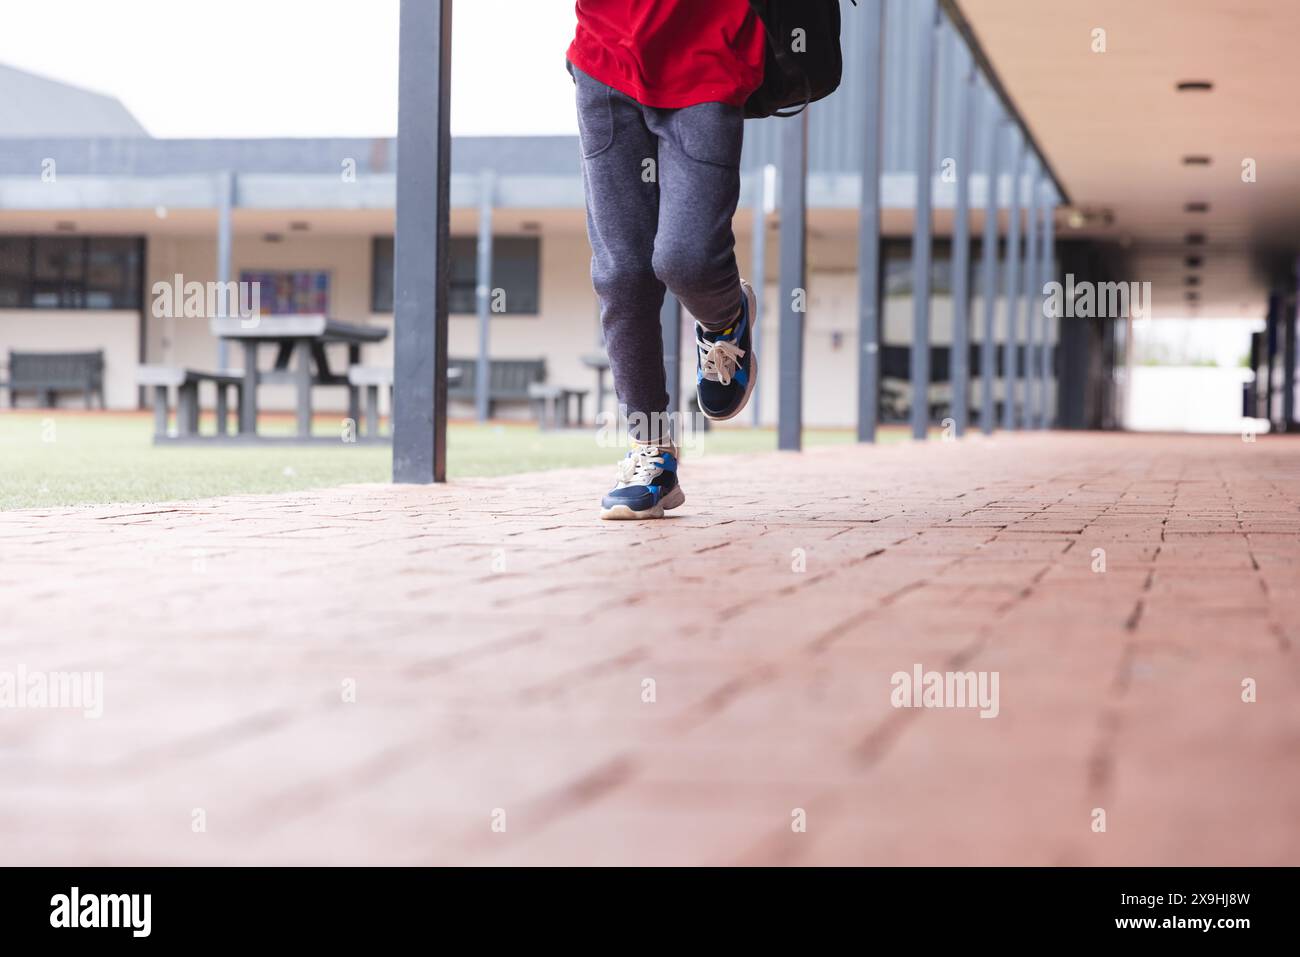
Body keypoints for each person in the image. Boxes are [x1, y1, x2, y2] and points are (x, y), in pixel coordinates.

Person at [567, 1, 766, 519]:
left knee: (688, 259)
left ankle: (724, 319)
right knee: (621, 273)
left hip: (707, 54)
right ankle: (650, 450)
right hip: (606, 59)